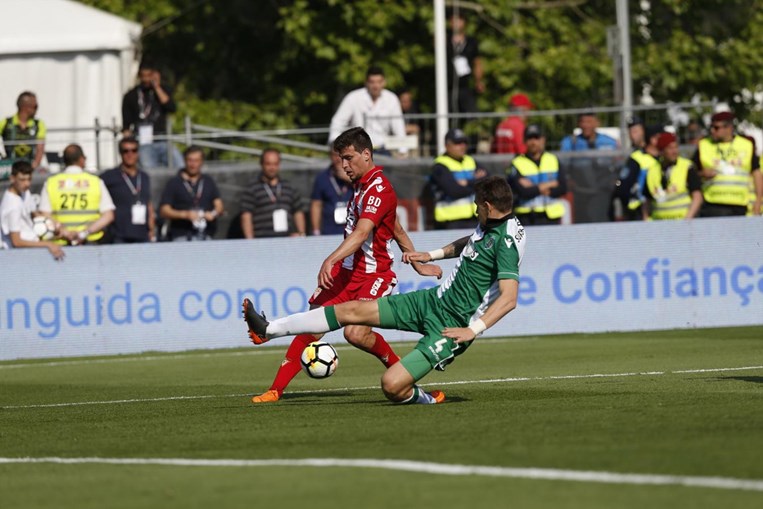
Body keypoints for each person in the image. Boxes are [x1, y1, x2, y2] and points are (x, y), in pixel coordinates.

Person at [243, 176, 525, 405]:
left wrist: (472, 330)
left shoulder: (507, 242)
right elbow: (472, 241)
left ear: (488, 206)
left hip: (453, 326)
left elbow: (509, 298)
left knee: (391, 385)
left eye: (478, 206)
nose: (475, 210)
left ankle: (425, 399)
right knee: (350, 312)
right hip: (432, 301)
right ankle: (268, 329)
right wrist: (432, 254)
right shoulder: (491, 225)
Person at [249, 127, 442, 404]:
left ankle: (410, 384)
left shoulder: (379, 187)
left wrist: (331, 259)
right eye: (341, 159)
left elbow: (363, 233)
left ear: (366, 154)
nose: (344, 165)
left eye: (349, 158)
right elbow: (395, 226)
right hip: (347, 274)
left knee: (355, 332)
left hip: (374, 274)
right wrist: (415, 260)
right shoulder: (361, 186)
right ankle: (275, 390)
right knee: (312, 324)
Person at [38, 144, 115, 245]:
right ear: (82, 159)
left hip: (61, 243)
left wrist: (65, 232)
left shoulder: (51, 183)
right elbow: (108, 215)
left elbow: (45, 215)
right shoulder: (95, 182)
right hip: (90, 241)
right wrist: (84, 233)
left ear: (64, 160)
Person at [692, 111, 762, 217]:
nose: (712, 131)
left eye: (716, 128)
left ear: (729, 128)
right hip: (712, 204)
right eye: (711, 127)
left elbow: (756, 174)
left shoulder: (746, 145)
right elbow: (691, 172)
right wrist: (702, 173)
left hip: (739, 204)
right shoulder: (704, 145)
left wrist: (758, 200)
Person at [328, 67, 407, 155]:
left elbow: (398, 127)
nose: (376, 86)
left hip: (382, 149)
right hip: (358, 150)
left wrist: (403, 151)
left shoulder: (391, 99)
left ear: (384, 82)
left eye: (379, 82)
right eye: (372, 82)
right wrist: (335, 146)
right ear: (366, 83)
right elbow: (338, 122)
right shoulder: (353, 98)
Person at [122, 60, 183, 170]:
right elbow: (126, 125)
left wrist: (157, 86)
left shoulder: (163, 90)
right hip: (144, 142)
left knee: (179, 164)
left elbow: (171, 107)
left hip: (163, 138)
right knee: (149, 169)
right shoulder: (131, 95)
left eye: (149, 75)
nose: (146, 80)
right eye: (143, 76)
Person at [0, 161, 66, 259]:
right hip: (16, 256)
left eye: (29, 179)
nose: (27, 183)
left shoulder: (25, 192)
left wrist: (53, 225)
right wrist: (48, 244)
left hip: (31, 250)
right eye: (22, 180)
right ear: (12, 179)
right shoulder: (12, 206)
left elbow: (35, 214)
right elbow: (17, 242)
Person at [506, 124, 568, 226]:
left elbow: (563, 188)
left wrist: (534, 188)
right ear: (524, 141)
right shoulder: (516, 163)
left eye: (536, 138)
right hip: (527, 217)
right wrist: (549, 184)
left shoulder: (553, 159)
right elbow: (523, 192)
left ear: (543, 140)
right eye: (530, 138)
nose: (533, 142)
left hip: (552, 217)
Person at [159, 146, 224, 241]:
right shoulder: (174, 182)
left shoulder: (208, 181)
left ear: (202, 162)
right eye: (190, 160)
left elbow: (219, 206)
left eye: (197, 161)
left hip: (205, 235)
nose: (193, 164)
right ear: (184, 161)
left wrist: (212, 214)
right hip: (182, 235)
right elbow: (164, 210)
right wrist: (185, 215)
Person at [239, 148, 306, 238]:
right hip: (262, 241)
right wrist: (251, 242)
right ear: (261, 164)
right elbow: (246, 216)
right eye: (268, 164)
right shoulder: (251, 189)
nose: (272, 168)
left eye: (275, 164)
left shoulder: (289, 187)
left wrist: (301, 234)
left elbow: (298, 212)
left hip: (287, 241)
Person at [428, 128, 487, 230]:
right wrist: (476, 182)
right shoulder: (440, 165)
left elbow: (487, 182)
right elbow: (454, 191)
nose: (462, 146)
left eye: (464, 142)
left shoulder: (470, 160)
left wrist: (467, 182)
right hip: (451, 221)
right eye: (458, 143)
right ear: (447, 145)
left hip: (474, 219)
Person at [100, 137, 156, 243]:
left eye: (133, 150)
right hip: (119, 235)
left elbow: (148, 203)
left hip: (142, 234)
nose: (130, 154)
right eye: (125, 151)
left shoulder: (144, 177)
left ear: (138, 153)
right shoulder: (109, 176)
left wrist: (152, 229)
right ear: (120, 153)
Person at [643, 132, 703, 221]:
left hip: (682, 223)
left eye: (676, 147)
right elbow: (647, 201)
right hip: (659, 225)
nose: (674, 151)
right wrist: (646, 220)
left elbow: (697, 197)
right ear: (662, 151)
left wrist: (687, 219)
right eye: (670, 148)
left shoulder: (686, 167)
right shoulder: (652, 170)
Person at [611, 124, 663, 221]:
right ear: (653, 139)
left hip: (661, 212)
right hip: (639, 213)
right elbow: (622, 186)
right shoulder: (637, 158)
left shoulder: (663, 159)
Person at [310, 149, 353, 236]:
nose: (338, 159)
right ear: (330, 156)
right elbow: (316, 205)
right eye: (335, 155)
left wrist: (350, 180)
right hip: (330, 231)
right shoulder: (322, 178)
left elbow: (366, 190)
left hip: (353, 230)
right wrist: (316, 231)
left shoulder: (356, 175)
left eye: (341, 155)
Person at [447, 11, 484, 114]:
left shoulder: (471, 42)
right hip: (447, 87)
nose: (456, 23)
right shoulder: (444, 39)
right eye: (453, 20)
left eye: (459, 20)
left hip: (465, 86)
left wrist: (478, 81)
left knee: (472, 114)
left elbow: (477, 62)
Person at [0, 91, 46, 170]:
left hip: (30, 168)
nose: (37, 109)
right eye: (35, 106)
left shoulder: (38, 124)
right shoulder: (6, 123)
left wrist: (33, 167)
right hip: (9, 168)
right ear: (25, 107)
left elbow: (40, 148)